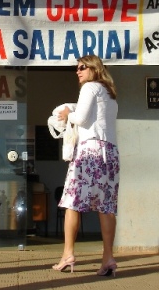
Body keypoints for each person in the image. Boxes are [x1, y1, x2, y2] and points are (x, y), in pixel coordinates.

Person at [53, 55, 120, 276]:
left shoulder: (90, 87)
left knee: (73, 202)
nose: (78, 71)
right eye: (77, 68)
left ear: (94, 69)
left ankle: (68, 254)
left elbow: (80, 118)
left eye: (82, 67)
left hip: (89, 151)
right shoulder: (110, 94)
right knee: (106, 206)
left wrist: (66, 114)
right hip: (109, 152)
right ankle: (108, 257)